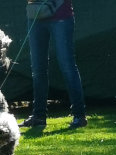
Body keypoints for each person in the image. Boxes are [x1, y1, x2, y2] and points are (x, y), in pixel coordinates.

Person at [20, 0, 87, 129]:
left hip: (61, 17)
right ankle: (38, 116)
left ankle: (79, 115)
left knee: (67, 66)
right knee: (38, 69)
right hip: (35, 17)